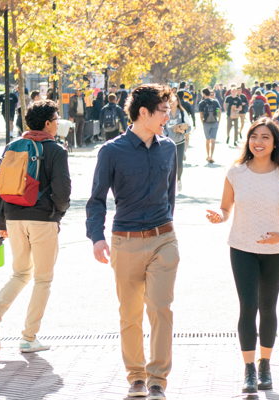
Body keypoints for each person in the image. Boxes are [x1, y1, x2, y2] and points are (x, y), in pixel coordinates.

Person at [86, 84, 179, 400]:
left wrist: (168, 228)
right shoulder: (111, 151)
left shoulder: (169, 148)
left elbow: (171, 196)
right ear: (144, 112)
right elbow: (96, 199)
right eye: (164, 110)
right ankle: (136, 377)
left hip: (163, 239)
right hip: (124, 241)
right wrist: (97, 238)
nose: (169, 116)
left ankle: (157, 381)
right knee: (130, 314)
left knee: (160, 308)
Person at [206, 119, 279, 395]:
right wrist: (219, 216)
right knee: (248, 306)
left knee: (268, 307)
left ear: (275, 143)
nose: (258, 142)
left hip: (276, 252)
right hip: (242, 248)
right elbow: (226, 209)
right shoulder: (236, 172)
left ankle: (265, 365)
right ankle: (249, 369)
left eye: (265, 137)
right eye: (253, 137)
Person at [0, 99, 71, 354]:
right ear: (47, 123)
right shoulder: (56, 150)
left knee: (20, 273)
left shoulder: (13, 146)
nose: (58, 123)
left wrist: (2, 222)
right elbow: (63, 191)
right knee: (43, 278)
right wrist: (57, 214)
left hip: (13, 217)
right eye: (55, 119)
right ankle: (29, 337)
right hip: (43, 219)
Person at [164, 95, 191, 191]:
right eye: (170, 100)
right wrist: (166, 135)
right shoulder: (165, 113)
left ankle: (178, 179)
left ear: (178, 101)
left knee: (179, 164)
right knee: (168, 164)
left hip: (180, 142)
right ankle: (169, 183)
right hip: (168, 142)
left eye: (174, 100)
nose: (172, 102)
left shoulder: (182, 113)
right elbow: (162, 126)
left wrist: (182, 131)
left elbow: (189, 127)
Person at [199, 88, 222, 164]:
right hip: (214, 122)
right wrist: (218, 120)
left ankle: (208, 155)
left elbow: (201, 115)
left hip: (206, 123)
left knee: (207, 140)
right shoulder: (215, 102)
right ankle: (211, 156)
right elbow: (219, 111)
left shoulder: (202, 103)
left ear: (204, 94)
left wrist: (203, 123)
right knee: (213, 140)